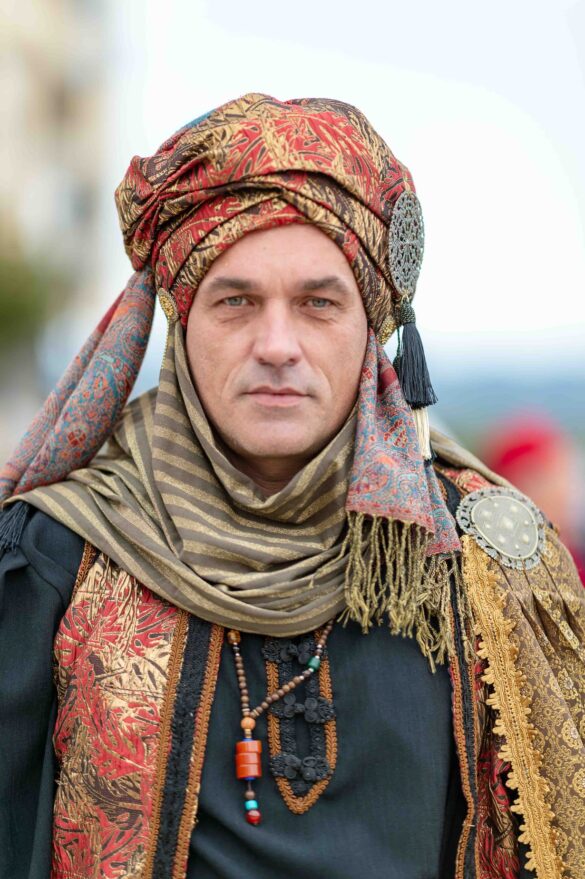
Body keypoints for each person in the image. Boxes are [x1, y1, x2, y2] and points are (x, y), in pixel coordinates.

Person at [0, 93, 583, 879]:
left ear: (371, 327)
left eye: (317, 303)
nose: (276, 345)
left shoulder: (487, 560)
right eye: (236, 301)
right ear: (181, 323)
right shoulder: (56, 555)